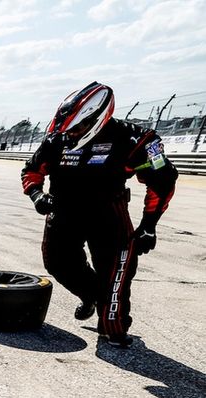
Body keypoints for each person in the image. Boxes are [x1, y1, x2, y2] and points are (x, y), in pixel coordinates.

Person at [21, 82, 178, 347]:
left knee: (115, 277)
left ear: (96, 119)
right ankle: (93, 296)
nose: (70, 133)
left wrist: (149, 225)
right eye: (66, 127)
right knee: (57, 263)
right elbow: (31, 171)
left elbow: (163, 181)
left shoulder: (132, 139)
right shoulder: (57, 138)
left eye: (77, 127)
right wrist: (37, 196)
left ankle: (113, 324)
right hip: (63, 211)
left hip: (109, 214)